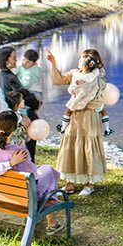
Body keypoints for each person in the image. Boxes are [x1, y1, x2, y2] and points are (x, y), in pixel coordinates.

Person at [0, 110, 65, 236]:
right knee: (48, 172)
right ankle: (52, 223)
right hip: (24, 194)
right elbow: (33, 175)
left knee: (43, 172)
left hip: (1, 191)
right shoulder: (20, 152)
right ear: (14, 129)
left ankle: (44, 219)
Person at [46, 49, 107, 196]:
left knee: (88, 146)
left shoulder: (98, 79)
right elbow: (59, 79)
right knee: (70, 145)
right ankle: (69, 184)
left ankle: (89, 184)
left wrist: (82, 103)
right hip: (74, 116)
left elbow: (100, 101)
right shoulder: (75, 74)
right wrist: (53, 63)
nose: (80, 62)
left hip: (89, 116)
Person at [55, 48, 112, 136]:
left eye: (81, 59)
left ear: (85, 65)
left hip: (80, 100)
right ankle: (107, 130)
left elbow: (72, 89)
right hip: (95, 101)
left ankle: (62, 128)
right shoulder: (98, 75)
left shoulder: (78, 76)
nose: (79, 61)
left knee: (68, 110)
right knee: (103, 111)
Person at [0, 46, 41, 118]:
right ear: (6, 61)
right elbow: (22, 93)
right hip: (16, 112)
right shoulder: (10, 78)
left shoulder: (1, 73)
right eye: (13, 58)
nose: (16, 60)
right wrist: (36, 103)